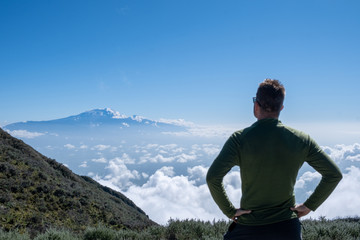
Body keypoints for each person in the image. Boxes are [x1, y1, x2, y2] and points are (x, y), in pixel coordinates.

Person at [206, 79, 342, 240]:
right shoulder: (301, 139)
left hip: (248, 227)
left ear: (256, 105)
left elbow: (213, 177)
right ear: (281, 108)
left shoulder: (239, 139)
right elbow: (334, 174)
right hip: (287, 228)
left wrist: (229, 210)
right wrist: (309, 206)